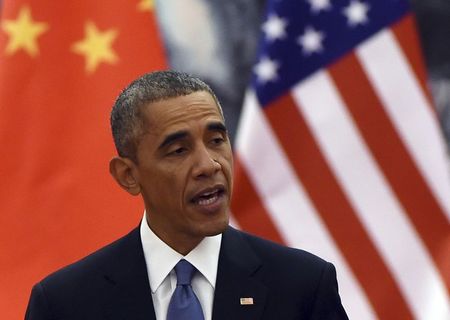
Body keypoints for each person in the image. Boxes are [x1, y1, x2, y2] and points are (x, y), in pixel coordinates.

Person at [25, 70, 349, 320]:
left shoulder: (302, 286)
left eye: (217, 141)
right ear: (128, 175)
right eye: (179, 150)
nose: (209, 165)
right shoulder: (64, 304)